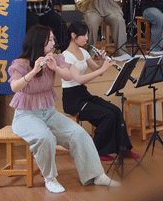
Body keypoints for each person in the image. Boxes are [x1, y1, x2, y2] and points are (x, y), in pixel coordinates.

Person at [8, 25, 119, 193]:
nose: (54, 43)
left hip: (49, 112)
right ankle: (50, 178)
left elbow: (68, 77)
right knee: (45, 138)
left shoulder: (56, 58)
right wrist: (34, 71)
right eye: (50, 40)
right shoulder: (20, 63)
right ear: (39, 42)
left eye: (53, 39)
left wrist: (56, 68)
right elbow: (15, 87)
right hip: (26, 116)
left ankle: (97, 175)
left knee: (80, 134)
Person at [58, 21, 139, 161]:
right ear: (73, 35)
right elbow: (79, 79)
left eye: (87, 35)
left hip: (83, 94)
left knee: (115, 111)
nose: (86, 38)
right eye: (83, 35)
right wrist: (103, 68)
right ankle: (95, 151)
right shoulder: (66, 56)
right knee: (107, 116)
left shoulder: (83, 52)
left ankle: (123, 149)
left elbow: (97, 70)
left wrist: (101, 61)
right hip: (72, 99)